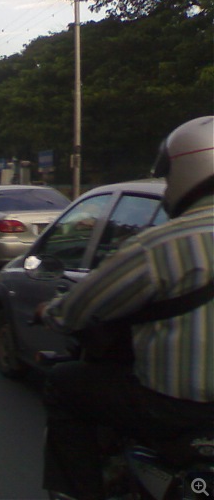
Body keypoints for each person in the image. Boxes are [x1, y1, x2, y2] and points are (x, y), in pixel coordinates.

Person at [34, 116, 214, 500]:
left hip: (175, 408)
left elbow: (81, 307)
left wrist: (51, 312)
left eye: (167, 178)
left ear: (188, 170)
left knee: (64, 383)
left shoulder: (159, 245)